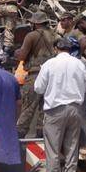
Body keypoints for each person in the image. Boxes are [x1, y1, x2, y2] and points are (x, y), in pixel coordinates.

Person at [34, 37, 86, 172]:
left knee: (53, 150)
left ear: (56, 48)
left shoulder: (49, 64)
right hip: (75, 109)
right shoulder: (79, 64)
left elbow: (38, 88)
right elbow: (85, 87)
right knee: (72, 148)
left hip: (55, 110)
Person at [16, 10, 57, 138]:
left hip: (35, 75)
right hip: (51, 77)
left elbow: (22, 56)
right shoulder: (55, 36)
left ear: (35, 23)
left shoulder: (31, 36)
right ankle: (41, 137)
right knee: (44, 109)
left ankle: (19, 136)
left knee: (28, 108)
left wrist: (17, 53)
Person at [0, 44, 22, 172]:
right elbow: (19, 104)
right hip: (6, 125)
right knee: (1, 157)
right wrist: (14, 120)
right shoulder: (11, 78)